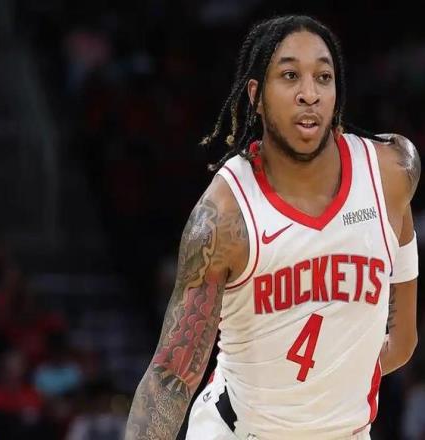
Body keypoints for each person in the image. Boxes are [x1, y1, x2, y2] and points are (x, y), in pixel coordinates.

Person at [124, 14, 420, 439]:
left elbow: (404, 342)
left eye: (323, 77)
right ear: (257, 96)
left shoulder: (391, 173)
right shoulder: (224, 216)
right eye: (289, 76)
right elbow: (172, 376)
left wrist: (329, 388)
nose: (308, 93)